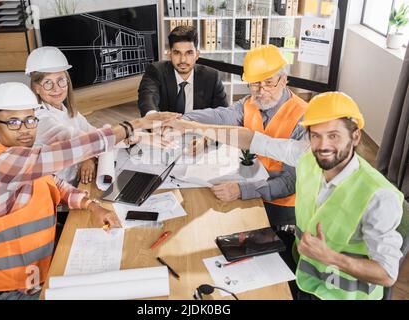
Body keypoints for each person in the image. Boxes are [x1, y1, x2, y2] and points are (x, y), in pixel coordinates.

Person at [166, 91, 403, 300]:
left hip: (338, 295)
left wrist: (331, 257)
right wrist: (191, 126)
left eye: (334, 135)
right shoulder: (307, 156)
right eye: (316, 135)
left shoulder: (379, 196)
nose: (323, 145)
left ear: (356, 136)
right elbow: (251, 139)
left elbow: (387, 273)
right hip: (304, 277)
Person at [0, 82, 177, 300]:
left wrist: (91, 205)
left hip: (36, 271)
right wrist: (133, 125)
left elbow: (53, 182)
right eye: (13, 122)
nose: (25, 129)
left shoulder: (15, 152)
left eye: (29, 120)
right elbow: (71, 150)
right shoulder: (2, 162)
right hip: (12, 290)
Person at [179, 44, 308, 228]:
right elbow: (222, 117)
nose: (261, 90)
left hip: (281, 207)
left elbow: (290, 182)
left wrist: (241, 190)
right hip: (248, 179)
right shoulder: (249, 103)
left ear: (284, 79)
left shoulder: (302, 118)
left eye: (269, 82)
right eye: (255, 83)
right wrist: (184, 121)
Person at [26, 46, 97, 185]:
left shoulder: (67, 111)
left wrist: (89, 159)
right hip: (58, 192)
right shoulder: (39, 120)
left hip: (78, 180)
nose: (57, 88)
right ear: (36, 88)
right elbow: (87, 140)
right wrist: (127, 130)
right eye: (48, 83)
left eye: (61, 80)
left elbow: (91, 133)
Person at [137, 25, 228, 116]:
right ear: (169, 54)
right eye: (177, 53)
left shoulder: (212, 77)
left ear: (197, 55)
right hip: (165, 128)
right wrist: (153, 119)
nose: (183, 60)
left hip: (199, 129)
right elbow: (148, 99)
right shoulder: (155, 71)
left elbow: (222, 114)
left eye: (189, 53)